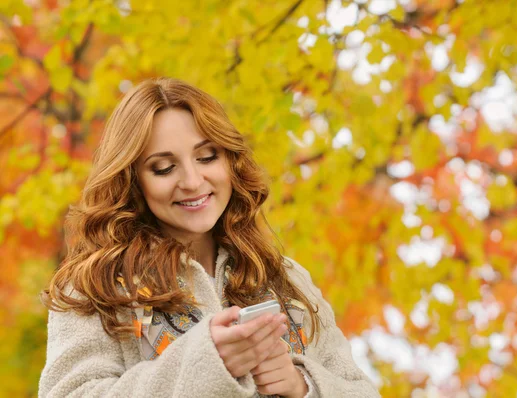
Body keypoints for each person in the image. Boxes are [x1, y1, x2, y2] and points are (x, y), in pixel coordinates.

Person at [39, 78, 379, 398]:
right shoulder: (94, 286)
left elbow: (360, 389)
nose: (192, 180)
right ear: (132, 179)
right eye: (163, 167)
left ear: (230, 160)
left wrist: (302, 385)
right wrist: (205, 363)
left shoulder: (286, 278)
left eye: (206, 157)